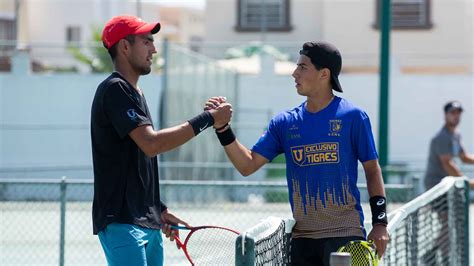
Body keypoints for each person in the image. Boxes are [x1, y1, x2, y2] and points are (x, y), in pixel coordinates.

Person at [206, 41, 389, 265]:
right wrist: (223, 129)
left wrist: (380, 223)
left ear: (324, 74)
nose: (294, 73)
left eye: (302, 67)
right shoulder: (284, 123)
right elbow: (247, 165)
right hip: (302, 242)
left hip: (346, 237)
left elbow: (372, 169)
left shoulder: (353, 116)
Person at [90, 15, 232, 266]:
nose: (154, 49)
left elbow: (140, 160)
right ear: (124, 46)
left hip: (148, 222)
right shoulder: (115, 89)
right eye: (147, 42)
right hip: (122, 222)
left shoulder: (135, 92)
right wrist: (208, 119)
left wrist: (159, 209)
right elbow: (152, 144)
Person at [424, 101, 474, 190]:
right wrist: (466, 182)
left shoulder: (456, 135)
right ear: (445, 115)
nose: (456, 116)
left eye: (458, 113)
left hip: (448, 184)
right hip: (436, 185)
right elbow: (447, 163)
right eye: (453, 112)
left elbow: (464, 157)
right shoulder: (442, 136)